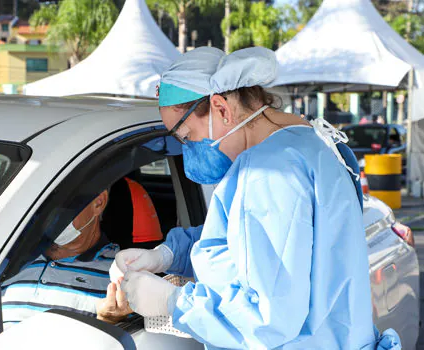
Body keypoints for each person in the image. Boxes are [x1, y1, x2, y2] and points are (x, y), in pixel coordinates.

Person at [111, 47, 401, 349]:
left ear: (222, 109)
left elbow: (267, 320)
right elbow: (254, 244)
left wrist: (173, 302)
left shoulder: (266, 171)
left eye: (185, 136)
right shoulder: (313, 143)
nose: (187, 150)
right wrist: (169, 255)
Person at [2, 179, 163, 328]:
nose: (50, 214)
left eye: (63, 204)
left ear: (98, 203)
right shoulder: (6, 255)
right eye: (45, 202)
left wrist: (108, 321)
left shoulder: (120, 274)